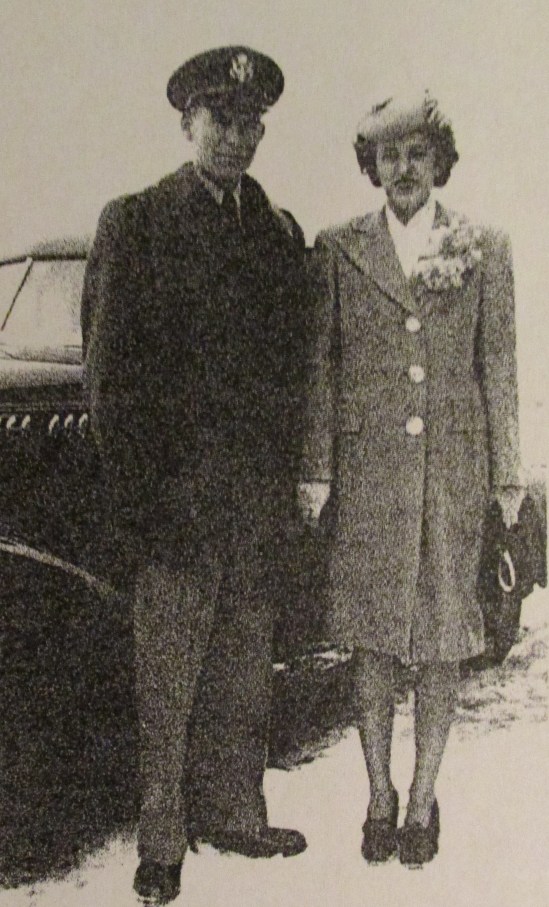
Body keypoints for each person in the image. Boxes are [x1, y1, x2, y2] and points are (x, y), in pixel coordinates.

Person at [82, 46, 309, 905]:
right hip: (175, 504)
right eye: (220, 120)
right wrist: (142, 505)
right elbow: (110, 382)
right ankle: (161, 841)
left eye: (250, 123)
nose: (236, 138)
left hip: (254, 504)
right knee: (168, 678)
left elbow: (291, 372)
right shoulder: (135, 221)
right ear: (188, 123)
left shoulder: (277, 232)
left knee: (247, 667)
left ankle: (236, 812)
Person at [299, 91, 524, 866]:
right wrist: (316, 471)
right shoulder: (337, 247)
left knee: (438, 643)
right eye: (388, 154)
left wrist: (507, 474)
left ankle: (423, 795)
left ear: (439, 161)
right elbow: (320, 370)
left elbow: (497, 364)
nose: (403, 167)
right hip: (367, 481)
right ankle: (377, 792)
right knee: (369, 642)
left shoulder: (482, 245)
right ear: (371, 165)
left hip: (451, 478)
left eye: (417, 152)